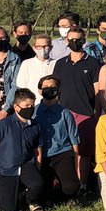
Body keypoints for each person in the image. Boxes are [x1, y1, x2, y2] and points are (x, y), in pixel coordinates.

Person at [53, 26, 102, 191]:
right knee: (64, 150)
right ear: (66, 41)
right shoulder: (60, 64)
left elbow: (98, 92)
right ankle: (64, 184)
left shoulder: (94, 63)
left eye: (79, 39)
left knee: (84, 153)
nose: (75, 42)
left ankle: (82, 185)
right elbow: (56, 90)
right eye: (72, 39)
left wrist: (95, 113)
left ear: (84, 40)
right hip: (63, 114)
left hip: (86, 113)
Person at [0, 88, 44, 211]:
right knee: (10, 209)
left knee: (38, 184)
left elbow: (38, 150)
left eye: (32, 105)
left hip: (26, 165)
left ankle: (30, 201)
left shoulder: (35, 126)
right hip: (7, 169)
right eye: (26, 105)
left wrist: (37, 168)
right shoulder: (3, 125)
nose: (30, 108)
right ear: (16, 107)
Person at [34, 74, 82, 203]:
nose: (49, 89)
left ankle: (66, 192)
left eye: (53, 87)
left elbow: (74, 142)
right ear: (39, 90)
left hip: (62, 154)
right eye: (45, 87)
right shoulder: (33, 113)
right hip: (42, 156)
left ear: (58, 90)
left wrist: (77, 169)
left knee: (71, 187)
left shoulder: (66, 113)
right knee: (43, 192)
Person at [15, 33, 55, 97]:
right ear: (34, 48)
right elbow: (21, 85)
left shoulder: (56, 63)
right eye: (39, 46)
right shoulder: (27, 64)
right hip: (33, 102)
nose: (42, 49)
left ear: (51, 47)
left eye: (46, 46)